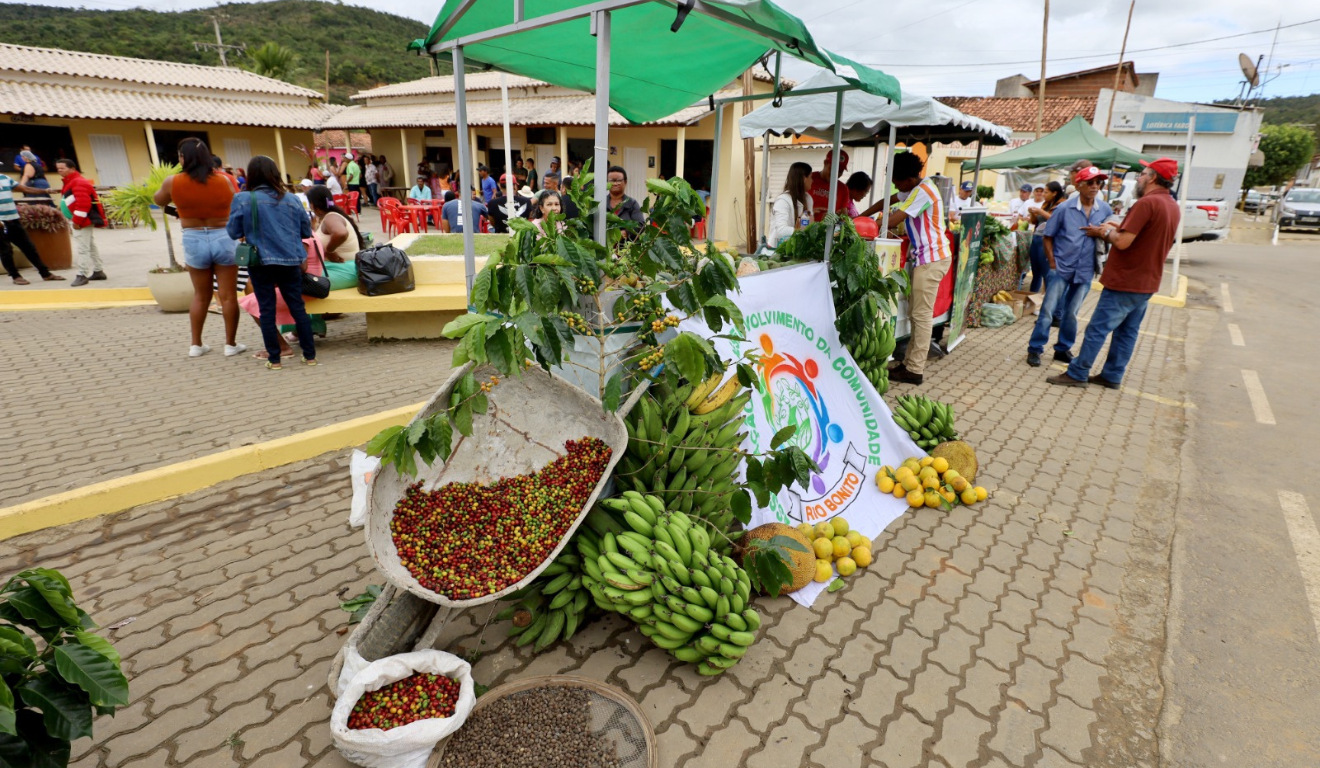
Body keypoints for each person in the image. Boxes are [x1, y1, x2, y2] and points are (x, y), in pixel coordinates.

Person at [1049, 158, 1181, 389]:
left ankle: (1078, 372)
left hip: (1126, 279)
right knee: (1127, 332)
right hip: (1147, 280)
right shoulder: (1171, 205)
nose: (1138, 177)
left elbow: (1122, 242)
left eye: (1142, 173)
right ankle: (1112, 375)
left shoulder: (1146, 204)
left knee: (1097, 328)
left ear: (1152, 178)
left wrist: (1104, 232)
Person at [154, 138, 246, 358]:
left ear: (182, 158)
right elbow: (236, 203)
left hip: (193, 237)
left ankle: (196, 345)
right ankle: (230, 345)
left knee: (200, 295)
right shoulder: (225, 180)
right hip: (223, 235)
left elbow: (158, 200)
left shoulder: (172, 182)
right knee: (228, 295)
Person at [226, 156, 316, 370]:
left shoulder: (244, 199)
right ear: (275, 173)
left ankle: (274, 360)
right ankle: (310, 356)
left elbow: (233, 232)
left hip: (260, 262)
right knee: (298, 308)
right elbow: (305, 231)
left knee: (266, 310)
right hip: (291, 260)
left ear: (252, 175)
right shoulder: (293, 199)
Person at [1025, 166, 1112, 368]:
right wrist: (1053, 263)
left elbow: (1113, 228)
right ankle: (1035, 348)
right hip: (1061, 268)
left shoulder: (1104, 209)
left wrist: (1100, 232)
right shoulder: (1064, 208)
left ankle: (1063, 349)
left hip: (1085, 269)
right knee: (1048, 310)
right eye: (1090, 182)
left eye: (1098, 183)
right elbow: (1048, 236)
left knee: (1072, 313)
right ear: (1079, 185)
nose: (1094, 186)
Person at [881, 152, 950, 386]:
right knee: (915, 313)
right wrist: (860, 216)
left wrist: (864, 225)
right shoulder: (915, 188)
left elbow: (891, 220)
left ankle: (914, 370)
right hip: (925, 259)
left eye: (897, 181)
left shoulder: (923, 192)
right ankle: (909, 363)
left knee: (921, 316)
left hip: (931, 261)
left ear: (909, 179)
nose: (895, 186)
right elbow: (888, 201)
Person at [0, 172, 63, 284]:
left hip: (13, 219)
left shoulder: (4, 177)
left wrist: (46, 191)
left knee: (29, 247)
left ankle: (45, 274)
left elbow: (25, 189)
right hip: (1, 222)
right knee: (6, 251)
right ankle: (15, 276)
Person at [56, 158, 105, 286]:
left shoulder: (77, 182)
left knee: (83, 248)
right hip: (81, 219)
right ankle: (98, 270)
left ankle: (82, 274)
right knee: (90, 245)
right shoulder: (72, 181)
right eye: (58, 168)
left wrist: (77, 221)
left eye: (62, 168)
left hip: (82, 220)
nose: (59, 170)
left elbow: (83, 203)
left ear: (72, 169)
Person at [1026, 181, 1066, 292]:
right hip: (1036, 238)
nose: (1043, 194)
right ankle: (1032, 300)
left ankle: (1048, 299)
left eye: (1046, 192)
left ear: (1054, 193)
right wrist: (1032, 213)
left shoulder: (1062, 205)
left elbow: (1056, 220)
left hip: (1047, 240)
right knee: (1036, 272)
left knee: (1046, 273)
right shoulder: (1046, 204)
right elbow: (1035, 222)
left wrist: (1040, 211)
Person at [767, 162, 812, 248]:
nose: (812, 181)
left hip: (796, 247)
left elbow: (808, 224)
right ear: (804, 178)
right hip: (777, 249)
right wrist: (803, 231)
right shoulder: (783, 200)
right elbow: (781, 230)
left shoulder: (808, 199)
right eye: (811, 177)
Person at [808, 149, 850, 221]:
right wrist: (809, 212)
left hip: (830, 231)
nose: (835, 174)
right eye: (833, 169)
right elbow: (794, 208)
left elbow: (844, 218)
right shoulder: (809, 179)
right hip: (806, 229)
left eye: (840, 171)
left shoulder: (843, 189)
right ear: (825, 163)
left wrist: (837, 217)